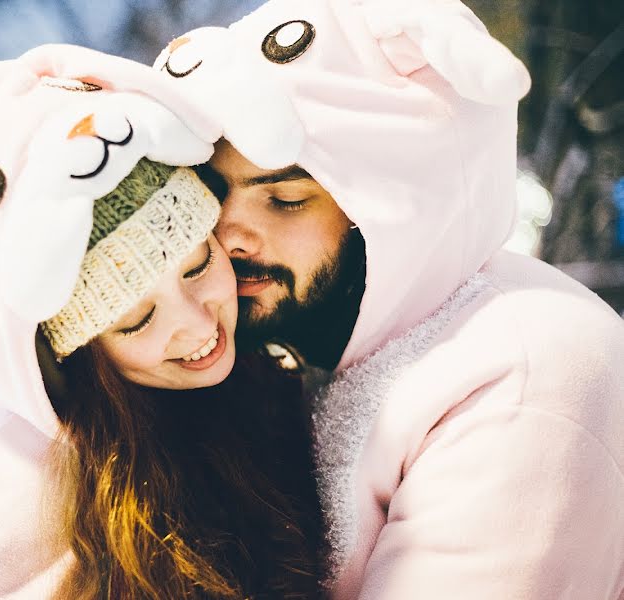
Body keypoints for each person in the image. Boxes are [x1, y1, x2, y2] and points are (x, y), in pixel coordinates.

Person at [155, 0, 624, 598]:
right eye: (212, 194)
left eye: (286, 199)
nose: (228, 234)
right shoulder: (299, 352)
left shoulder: (529, 368)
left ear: (393, 206)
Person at [0, 45, 323, 599]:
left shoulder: (272, 380)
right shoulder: (13, 490)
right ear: (73, 352)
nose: (195, 322)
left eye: (198, 264)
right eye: (134, 319)